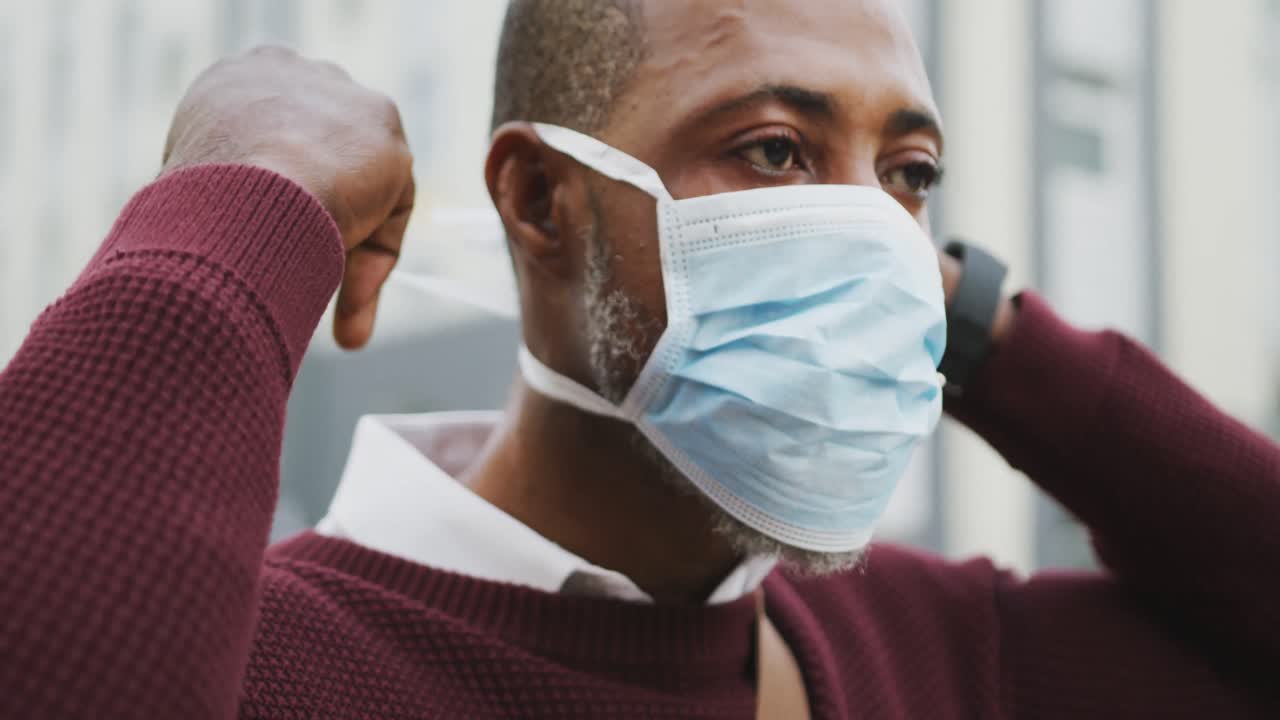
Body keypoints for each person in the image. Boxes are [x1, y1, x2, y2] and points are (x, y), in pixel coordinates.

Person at [0, 1, 1276, 718]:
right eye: (773, 150)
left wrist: (975, 325)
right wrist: (251, 192)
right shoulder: (260, 662)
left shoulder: (938, 653)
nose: (875, 241)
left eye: (908, 173)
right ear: (539, 199)